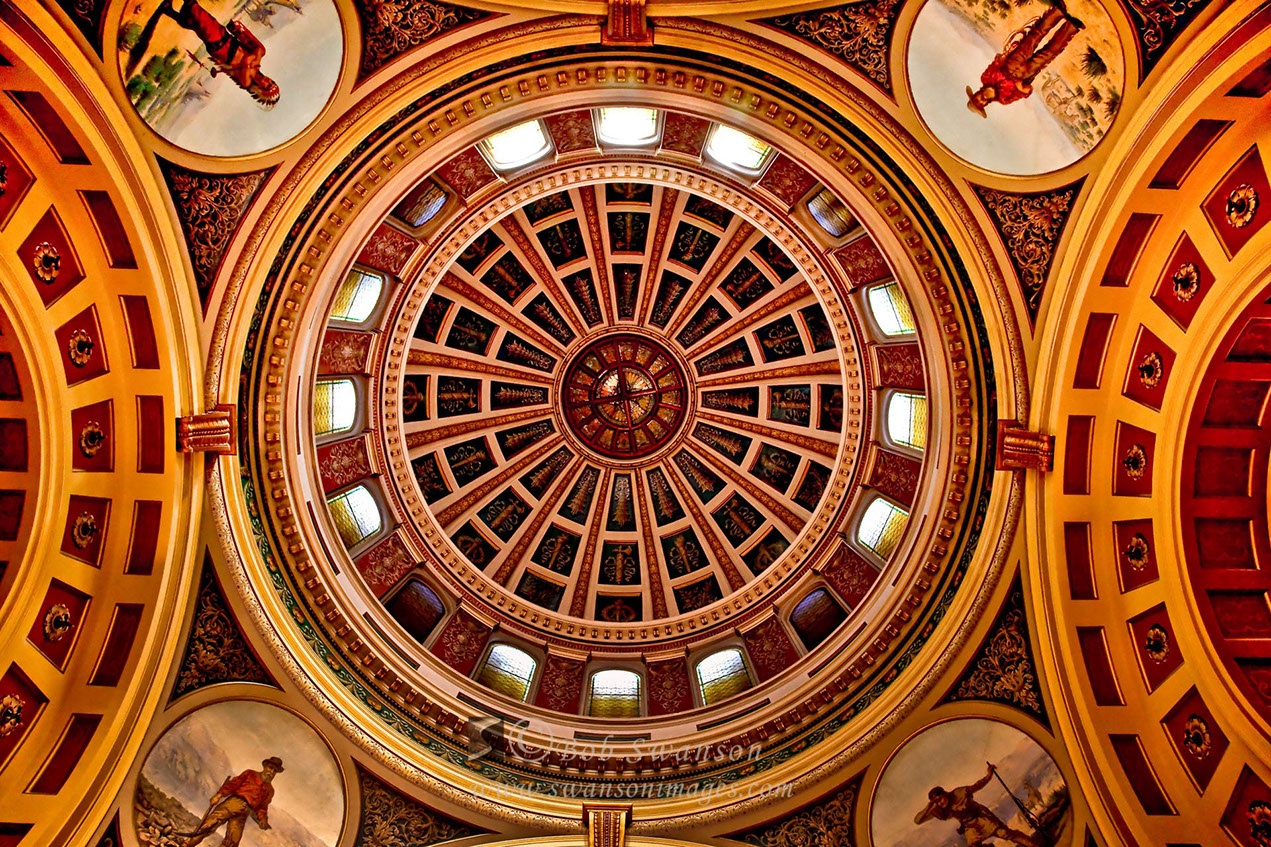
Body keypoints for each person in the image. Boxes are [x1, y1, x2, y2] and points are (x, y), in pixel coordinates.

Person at [144, 0, 278, 108]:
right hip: (224, 37)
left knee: (198, 13)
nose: (268, 81)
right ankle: (168, 9)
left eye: (268, 85)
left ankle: (176, 7)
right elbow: (257, 51)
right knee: (194, 23)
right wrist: (256, 57)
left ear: (262, 91)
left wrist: (255, 59)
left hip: (218, 44)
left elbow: (247, 61)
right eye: (272, 82)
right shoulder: (256, 66)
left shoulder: (246, 83)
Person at [966, 2, 1084, 117]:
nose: (981, 100)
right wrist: (1020, 88)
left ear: (976, 94)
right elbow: (1026, 92)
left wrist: (1009, 52)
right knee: (1050, 52)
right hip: (1025, 73)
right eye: (981, 104)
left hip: (1013, 61)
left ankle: (1057, 12)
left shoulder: (985, 77)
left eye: (977, 99)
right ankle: (1072, 26)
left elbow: (997, 63)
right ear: (985, 105)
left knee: (1035, 36)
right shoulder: (1004, 99)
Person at [914, 762, 1043, 847]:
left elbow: (977, 786)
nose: (941, 803)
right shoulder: (940, 810)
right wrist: (928, 807)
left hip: (982, 818)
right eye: (937, 802)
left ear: (945, 794)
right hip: (970, 827)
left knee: (1006, 834)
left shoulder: (959, 792)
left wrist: (989, 775)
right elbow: (917, 820)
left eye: (940, 799)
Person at [179, 756, 283, 847]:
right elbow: (233, 784)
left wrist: (263, 819)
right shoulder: (250, 774)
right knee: (209, 825)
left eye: (275, 771)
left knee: (233, 841)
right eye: (270, 768)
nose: (271, 772)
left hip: (244, 814)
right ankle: (186, 845)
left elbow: (262, 807)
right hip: (232, 803)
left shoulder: (270, 791)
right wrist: (218, 795)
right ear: (265, 766)